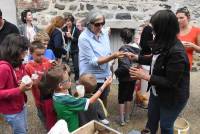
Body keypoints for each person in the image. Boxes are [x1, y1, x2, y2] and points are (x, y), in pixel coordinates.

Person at [128, 10, 190, 134]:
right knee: (151, 121)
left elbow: (171, 82)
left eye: (155, 28)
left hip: (173, 97)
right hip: (157, 93)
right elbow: (155, 60)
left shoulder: (177, 53)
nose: (153, 31)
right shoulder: (163, 43)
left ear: (164, 29)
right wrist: (137, 57)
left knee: (166, 126)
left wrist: (146, 76)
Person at [42, 64, 112, 132]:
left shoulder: (55, 93)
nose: (70, 81)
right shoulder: (67, 100)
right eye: (68, 79)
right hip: (72, 129)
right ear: (60, 85)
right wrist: (104, 84)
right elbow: (91, 101)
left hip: (65, 124)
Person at [78, 10, 125, 107]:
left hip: (105, 76)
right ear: (88, 24)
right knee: (90, 106)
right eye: (97, 24)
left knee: (103, 103)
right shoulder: (83, 38)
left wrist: (111, 64)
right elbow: (93, 61)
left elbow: (107, 52)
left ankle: (102, 120)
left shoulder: (104, 32)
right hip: (90, 79)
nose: (100, 27)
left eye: (102, 23)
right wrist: (112, 56)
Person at [0, 34, 32, 134]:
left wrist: (27, 81)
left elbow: (23, 75)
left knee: (24, 129)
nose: (26, 52)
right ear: (14, 50)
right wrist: (19, 90)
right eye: (23, 49)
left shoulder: (19, 62)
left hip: (21, 105)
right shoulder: (3, 68)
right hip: (12, 110)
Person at [25, 41, 56, 131]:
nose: (41, 57)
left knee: (52, 113)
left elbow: (53, 75)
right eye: (38, 55)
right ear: (31, 53)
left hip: (50, 95)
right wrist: (31, 83)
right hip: (38, 97)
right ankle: (48, 129)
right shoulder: (28, 67)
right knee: (42, 114)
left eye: (43, 54)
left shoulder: (47, 61)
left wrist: (54, 66)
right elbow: (27, 85)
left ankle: (53, 128)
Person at [114, 28, 140, 126]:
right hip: (134, 76)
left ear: (122, 38)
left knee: (122, 98)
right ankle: (127, 117)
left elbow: (124, 67)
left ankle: (121, 120)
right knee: (129, 97)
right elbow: (139, 62)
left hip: (125, 77)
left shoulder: (123, 48)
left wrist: (116, 72)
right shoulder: (138, 47)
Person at [62, 14, 80, 81]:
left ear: (72, 21)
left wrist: (71, 37)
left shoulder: (76, 30)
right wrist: (64, 35)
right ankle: (66, 78)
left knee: (76, 66)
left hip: (74, 49)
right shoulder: (63, 29)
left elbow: (78, 40)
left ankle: (77, 79)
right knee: (65, 65)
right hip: (66, 50)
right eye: (66, 21)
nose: (67, 22)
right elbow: (62, 39)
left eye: (69, 21)